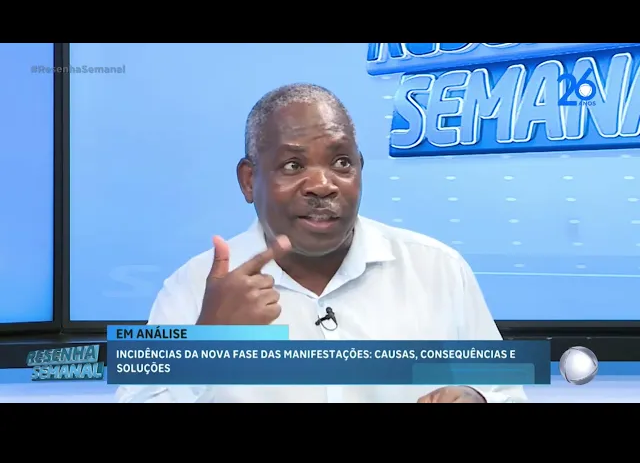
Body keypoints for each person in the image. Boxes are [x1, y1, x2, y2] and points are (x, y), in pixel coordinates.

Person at [116, 83, 528, 403]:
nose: (322, 184)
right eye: (293, 165)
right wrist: (206, 345)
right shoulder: (188, 288)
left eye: (341, 163)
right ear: (248, 180)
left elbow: (505, 390)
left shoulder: (439, 268)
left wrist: (476, 396)